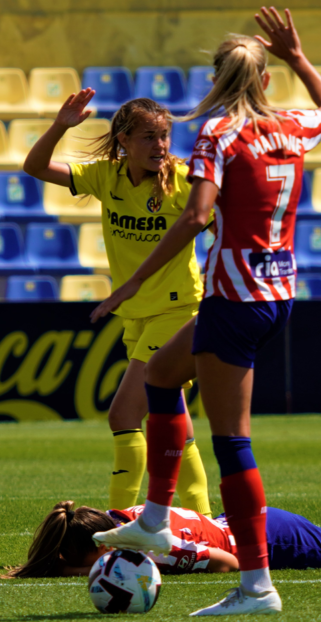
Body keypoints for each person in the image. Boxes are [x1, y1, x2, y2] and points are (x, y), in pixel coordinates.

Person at [87, 6, 321, 616]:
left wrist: (128, 287)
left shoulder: (219, 135)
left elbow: (197, 215)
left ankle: (256, 586)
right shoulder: (290, 126)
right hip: (277, 291)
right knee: (160, 375)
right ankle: (154, 518)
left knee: (232, 442)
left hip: (235, 297)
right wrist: (299, 56)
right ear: (265, 81)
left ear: (218, 79)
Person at [23, 95, 214, 517]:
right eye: (149, 136)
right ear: (124, 139)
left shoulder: (184, 180)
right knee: (172, 424)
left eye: (164, 135)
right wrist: (60, 126)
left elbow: (224, 228)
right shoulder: (105, 177)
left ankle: (118, 524)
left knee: (123, 414)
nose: (160, 145)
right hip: (137, 316)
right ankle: (200, 519)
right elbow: (34, 168)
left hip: (179, 310)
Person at [3, 501, 321, 579]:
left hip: (264, 537)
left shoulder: (143, 541)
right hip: (250, 523)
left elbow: (223, 562)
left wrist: (171, 563)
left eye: (76, 565)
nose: (83, 573)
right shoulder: (125, 522)